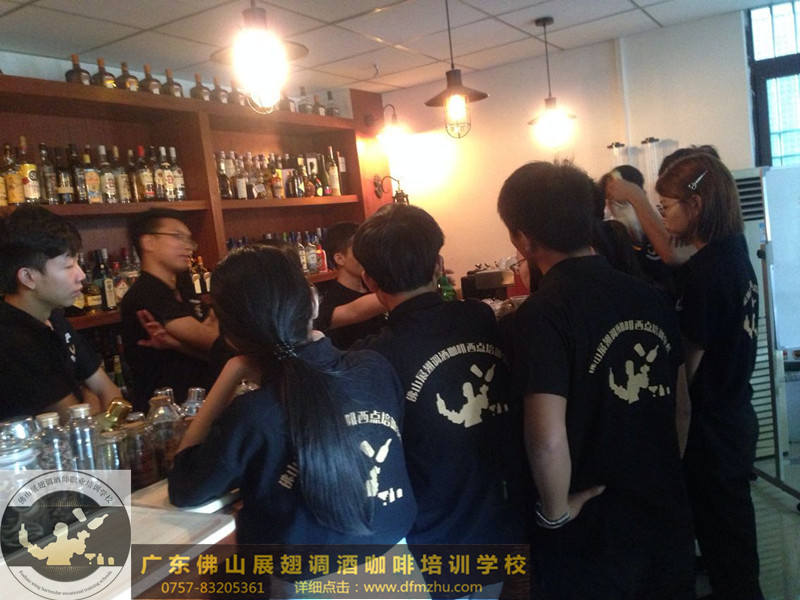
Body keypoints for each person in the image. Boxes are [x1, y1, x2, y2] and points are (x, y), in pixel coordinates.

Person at [497, 160, 695, 599]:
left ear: (522, 239)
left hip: (592, 530)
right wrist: (661, 476)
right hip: (664, 513)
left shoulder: (542, 314)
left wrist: (553, 514)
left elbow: (547, 439)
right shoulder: (652, 298)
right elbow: (682, 407)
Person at [168, 244, 415, 561]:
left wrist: (232, 372)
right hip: (400, 562)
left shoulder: (254, 414)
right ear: (313, 302)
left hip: (308, 578)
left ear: (230, 336)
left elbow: (185, 488)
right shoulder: (373, 367)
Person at [352, 203, 523, 599]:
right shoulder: (478, 318)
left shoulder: (372, 359)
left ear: (369, 280)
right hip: (507, 521)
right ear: (439, 265)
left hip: (438, 543)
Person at [655, 153, 763, 600]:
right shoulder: (733, 251)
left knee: (726, 548)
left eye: (666, 207)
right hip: (736, 414)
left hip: (712, 429)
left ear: (696, 205)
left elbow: (688, 365)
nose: (663, 216)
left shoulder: (706, 271)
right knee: (734, 538)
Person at [0, 205, 121, 422]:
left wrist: (89, 398)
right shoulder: (11, 339)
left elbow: (111, 393)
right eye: (68, 266)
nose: (81, 275)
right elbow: (73, 421)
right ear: (27, 277)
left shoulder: (54, 318)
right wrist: (89, 395)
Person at [120, 208, 219, 412]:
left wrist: (177, 343)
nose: (188, 246)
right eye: (177, 236)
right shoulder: (147, 294)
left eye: (189, 239)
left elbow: (219, 346)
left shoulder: (182, 287)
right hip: (167, 412)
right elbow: (216, 342)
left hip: (201, 404)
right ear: (148, 242)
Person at [314, 221, 386, 349]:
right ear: (339, 259)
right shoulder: (332, 301)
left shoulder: (372, 285)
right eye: (360, 250)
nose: (368, 255)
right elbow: (354, 311)